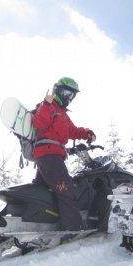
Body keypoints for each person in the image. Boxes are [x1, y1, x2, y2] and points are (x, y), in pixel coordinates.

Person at [32, 77, 96, 231]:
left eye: (72, 95)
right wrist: (46, 104)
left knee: (42, 190)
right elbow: (38, 123)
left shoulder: (62, 113)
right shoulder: (47, 107)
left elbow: (72, 131)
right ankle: (73, 229)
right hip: (49, 156)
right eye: (66, 92)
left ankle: (42, 221)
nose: (68, 97)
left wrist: (87, 133)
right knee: (67, 190)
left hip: (51, 157)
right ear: (57, 90)